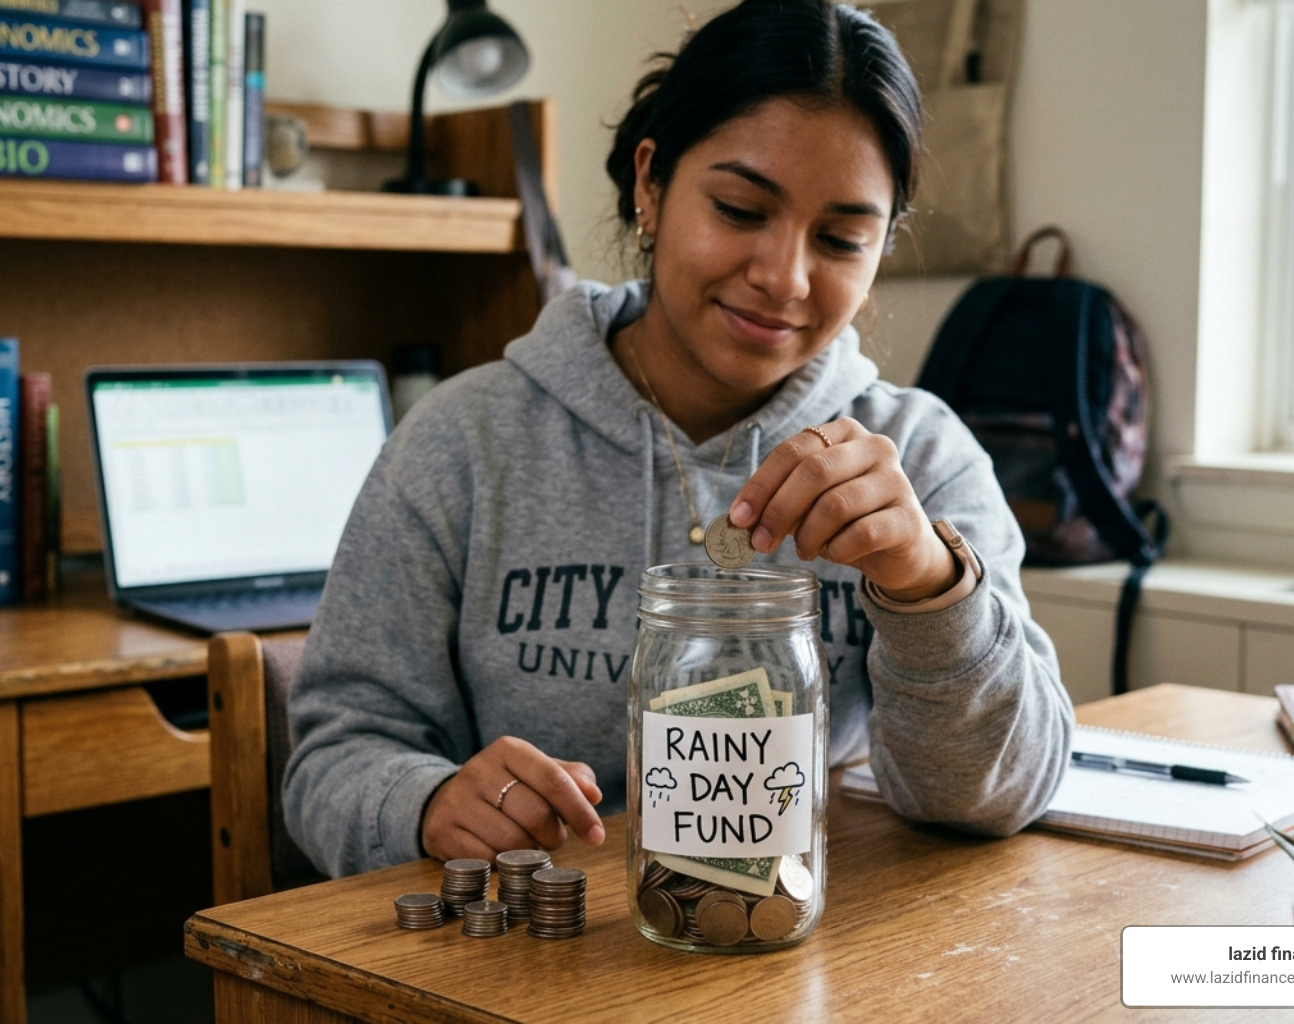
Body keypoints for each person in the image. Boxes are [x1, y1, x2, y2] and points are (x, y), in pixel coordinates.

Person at [283, 0, 1073, 877]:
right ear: (650, 185)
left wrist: (929, 588)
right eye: (739, 209)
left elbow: (1004, 792)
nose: (784, 277)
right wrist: (426, 804)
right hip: (531, 974)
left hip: (807, 967)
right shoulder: (463, 447)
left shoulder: (920, 459)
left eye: (844, 238)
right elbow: (332, 757)